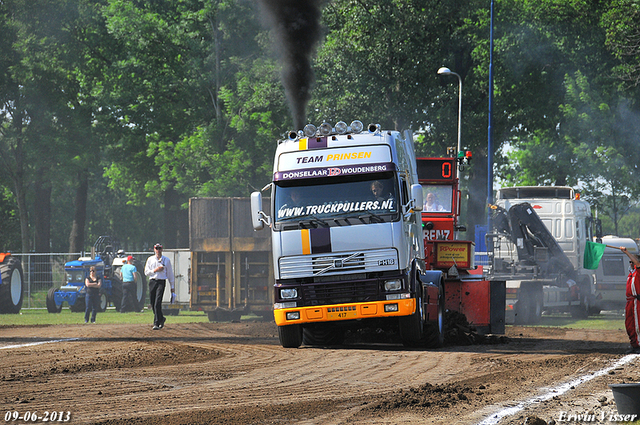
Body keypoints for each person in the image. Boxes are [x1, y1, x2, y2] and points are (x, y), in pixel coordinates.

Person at [145, 243, 175, 330]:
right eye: (156, 248)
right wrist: (155, 270)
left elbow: (170, 274)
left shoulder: (166, 260)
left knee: (158, 302)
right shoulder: (150, 259)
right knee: (153, 303)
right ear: (154, 249)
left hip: (161, 281)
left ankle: (156, 323)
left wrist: (172, 286)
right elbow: (146, 272)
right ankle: (161, 318)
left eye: (159, 248)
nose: (158, 250)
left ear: (162, 249)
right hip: (152, 281)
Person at [621, 246, 640, 354]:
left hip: (636, 300)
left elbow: (637, 262)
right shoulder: (631, 273)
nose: (631, 263)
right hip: (629, 301)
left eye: (631, 261)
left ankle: (638, 345)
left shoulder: (638, 271)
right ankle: (634, 344)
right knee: (629, 324)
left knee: (637, 324)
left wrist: (626, 252)